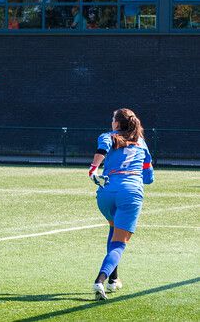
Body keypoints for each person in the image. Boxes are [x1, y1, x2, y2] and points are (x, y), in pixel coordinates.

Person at [88, 108, 154, 301]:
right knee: (119, 244)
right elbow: (148, 177)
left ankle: (113, 280)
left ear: (117, 123)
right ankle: (100, 280)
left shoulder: (108, 136)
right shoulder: (141, 143)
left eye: (112, 119)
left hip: (106, 193)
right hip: (130, 193)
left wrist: (94, 168)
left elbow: (102, 150)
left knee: (113, 229)